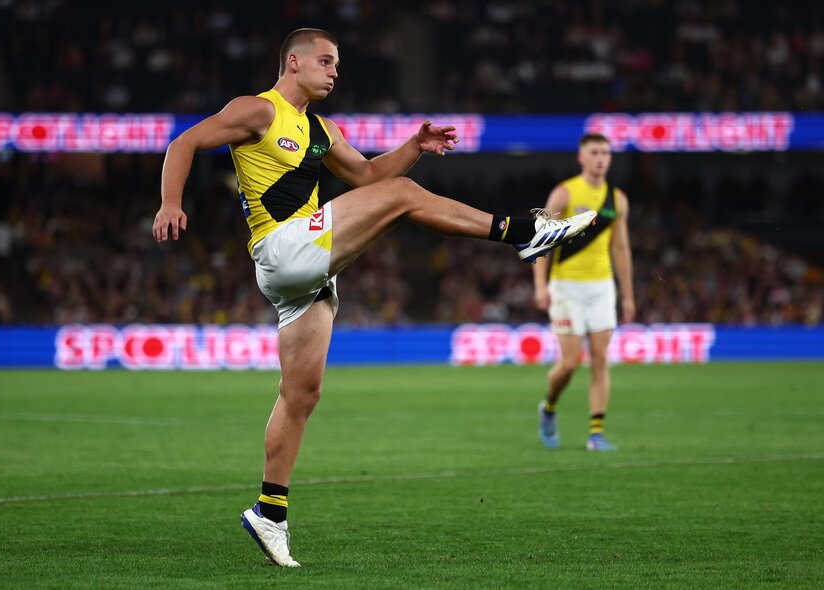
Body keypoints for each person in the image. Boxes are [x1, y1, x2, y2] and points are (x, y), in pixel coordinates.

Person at [153, 28, 595, 567]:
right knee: (403, 197)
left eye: (337, 63)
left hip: (306, 270)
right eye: (325, 61)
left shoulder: (321, 130)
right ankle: (522, 232)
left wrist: (414, 147)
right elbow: (183, 143)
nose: (334, 71)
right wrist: (170, 203)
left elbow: (366, 175)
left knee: (301, 395)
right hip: (284, 246)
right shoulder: (258, 110)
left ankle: (270, 513)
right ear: (293, 63)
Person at [532, 133, 635, 452]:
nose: (600, 158)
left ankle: (596, 434)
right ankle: (549, 407)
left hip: (601, 287)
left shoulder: (617, 199)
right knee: (570, 363)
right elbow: (541, 241)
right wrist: (540, 285)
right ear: (581, 157)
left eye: (605, 152)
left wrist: (628, 295)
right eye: (594, 152)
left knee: (601, 360)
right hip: (566, 286)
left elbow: (621, 248)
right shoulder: (565, 193)